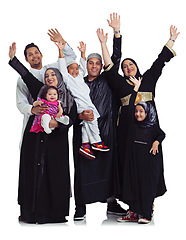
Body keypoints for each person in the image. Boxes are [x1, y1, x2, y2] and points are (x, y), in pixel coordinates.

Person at [97, 25, 180, 222]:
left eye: (130, 64)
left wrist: (172, 40)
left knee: (149, 167)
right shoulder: (120, 84)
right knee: (129, 168)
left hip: (148, 133)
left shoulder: (149, 78)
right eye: (124, 66)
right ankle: (133, 209)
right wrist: (103, 43)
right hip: (126, 132)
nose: (127, 67)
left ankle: (147, 205)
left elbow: (160, 61)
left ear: (136, 66)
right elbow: (109, 69)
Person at [9, 43, 77, 224]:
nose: (50, 77)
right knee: (33, 172)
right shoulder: (36, 87)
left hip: (58, 137)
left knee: (56, 172)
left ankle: (55, 213)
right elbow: (23, 90)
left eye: (53, 75)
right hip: (35, 132)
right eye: (29, 54)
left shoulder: (65, 90)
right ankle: (32, 212)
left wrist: (62, 46)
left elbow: (72, 116)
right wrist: (33, 108)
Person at [72, 13, 127, 221]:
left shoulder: (107, 79)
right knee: (83, 168)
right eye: (91, 63)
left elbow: (116, 57)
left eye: (97, 63)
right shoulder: (78, 82)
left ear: (101, 66)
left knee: (109, 167)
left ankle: (111, 203)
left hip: (107, 132)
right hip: (84, 132)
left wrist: (115, 34)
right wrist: (79, 115)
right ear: (86, 65)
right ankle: (80, 206)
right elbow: (69, 108)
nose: (94, 65)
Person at [115, 76, 166, 224]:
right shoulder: (132, 124)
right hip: (133, 160)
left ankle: (146, 214)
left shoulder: (151, 124)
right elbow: (130, 106)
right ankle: (133, 212)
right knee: (132, 185)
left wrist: (156, 142)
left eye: (141, 112)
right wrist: (135, 90)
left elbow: (161, 134)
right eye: (136, 112)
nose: (138, 114)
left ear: (147, 112)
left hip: (148, 162)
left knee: (146, 187)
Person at [16, 29, 76, 146]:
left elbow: (70, 58)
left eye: (36, 52)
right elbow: (20, 103)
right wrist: (32, 110)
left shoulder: (51, 70)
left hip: (55, 123)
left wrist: (62, 42)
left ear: (41, 54)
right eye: (30, 54)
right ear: (26, 59)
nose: (34, 56)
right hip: (34, 122)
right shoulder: (23, 78)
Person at [55, 40, 109, 159]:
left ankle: (85, 145)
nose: (75, 70)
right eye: (71, 68)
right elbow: (62, 66)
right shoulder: (68, 79)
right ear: (67, 71)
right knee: (93, 119)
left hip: (85, 103)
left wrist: (83, 53)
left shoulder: (80, 76)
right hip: (81, 104)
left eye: (76, 68)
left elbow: (83, 66)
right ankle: (97, 142)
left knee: (86, 125)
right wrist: (60, 51)